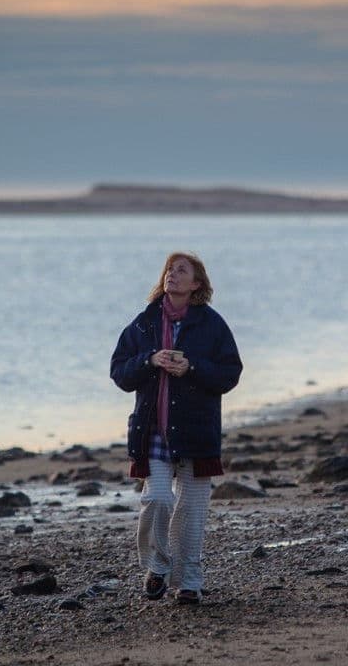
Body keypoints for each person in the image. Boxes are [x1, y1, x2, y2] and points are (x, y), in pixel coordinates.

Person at [109, 252, 242, 605]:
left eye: (181, 270)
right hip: (152, 431)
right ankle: (157, 566)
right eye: (169, 269)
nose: (172, 274)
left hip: (197, 432)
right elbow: (119, 371)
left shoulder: (212, 325)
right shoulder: (144, 323)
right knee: (157, 498)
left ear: (196, 284)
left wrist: (192, 368)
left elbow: (230, 373)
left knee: (191, 513)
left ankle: (189, 583)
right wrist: (150, 360)